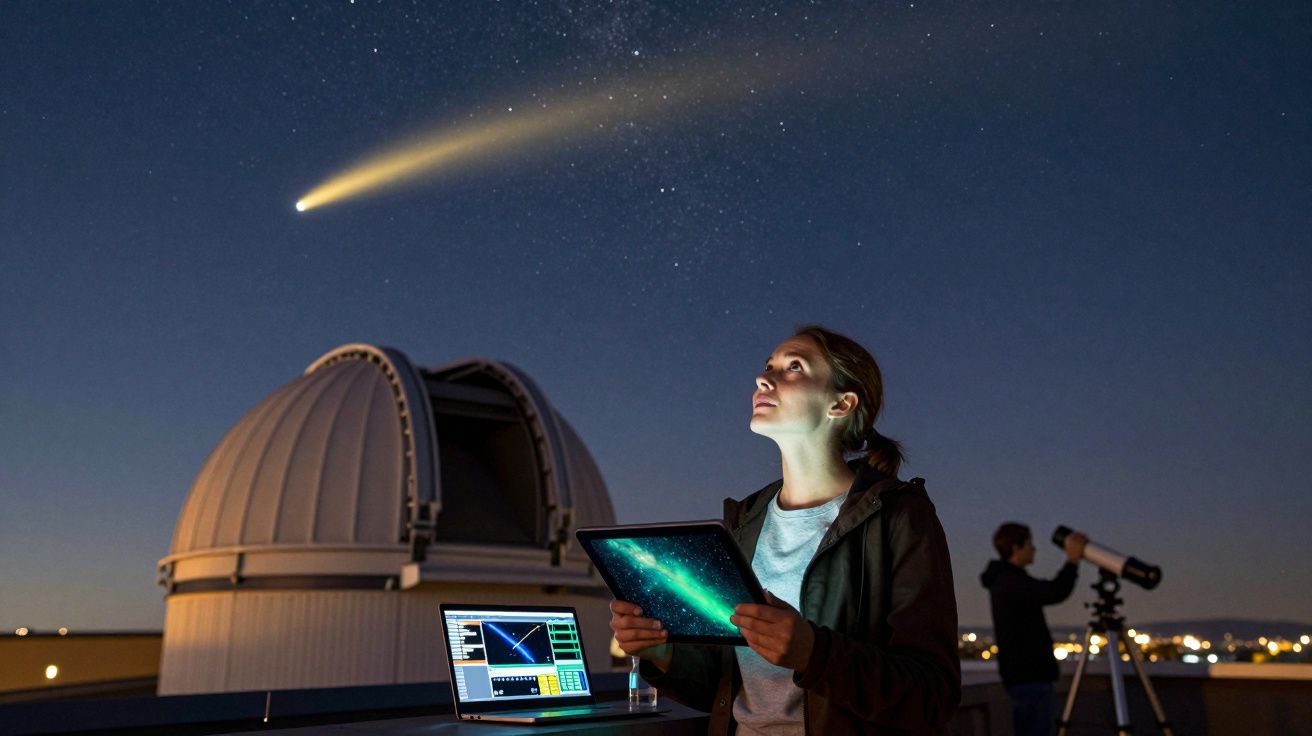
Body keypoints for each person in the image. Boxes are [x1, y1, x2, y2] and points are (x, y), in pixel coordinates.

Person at [610, 325, 960, 735]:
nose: (764, 378)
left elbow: (931, 696)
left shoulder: (899, 516)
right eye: (768, 366)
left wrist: (814, 653)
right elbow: (729, 688)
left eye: (794, 367)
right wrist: (663, 653)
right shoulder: (744, 523)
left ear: (841, 403)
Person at [980, 523, 1088, 736]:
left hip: (1025, 678)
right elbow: (1054, 592)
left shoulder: (1008, 580)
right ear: (1015, 548)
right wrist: (1072, 561)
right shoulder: (1009, 581)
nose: (1034, 549)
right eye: (1029, 544)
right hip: (1029, 679)